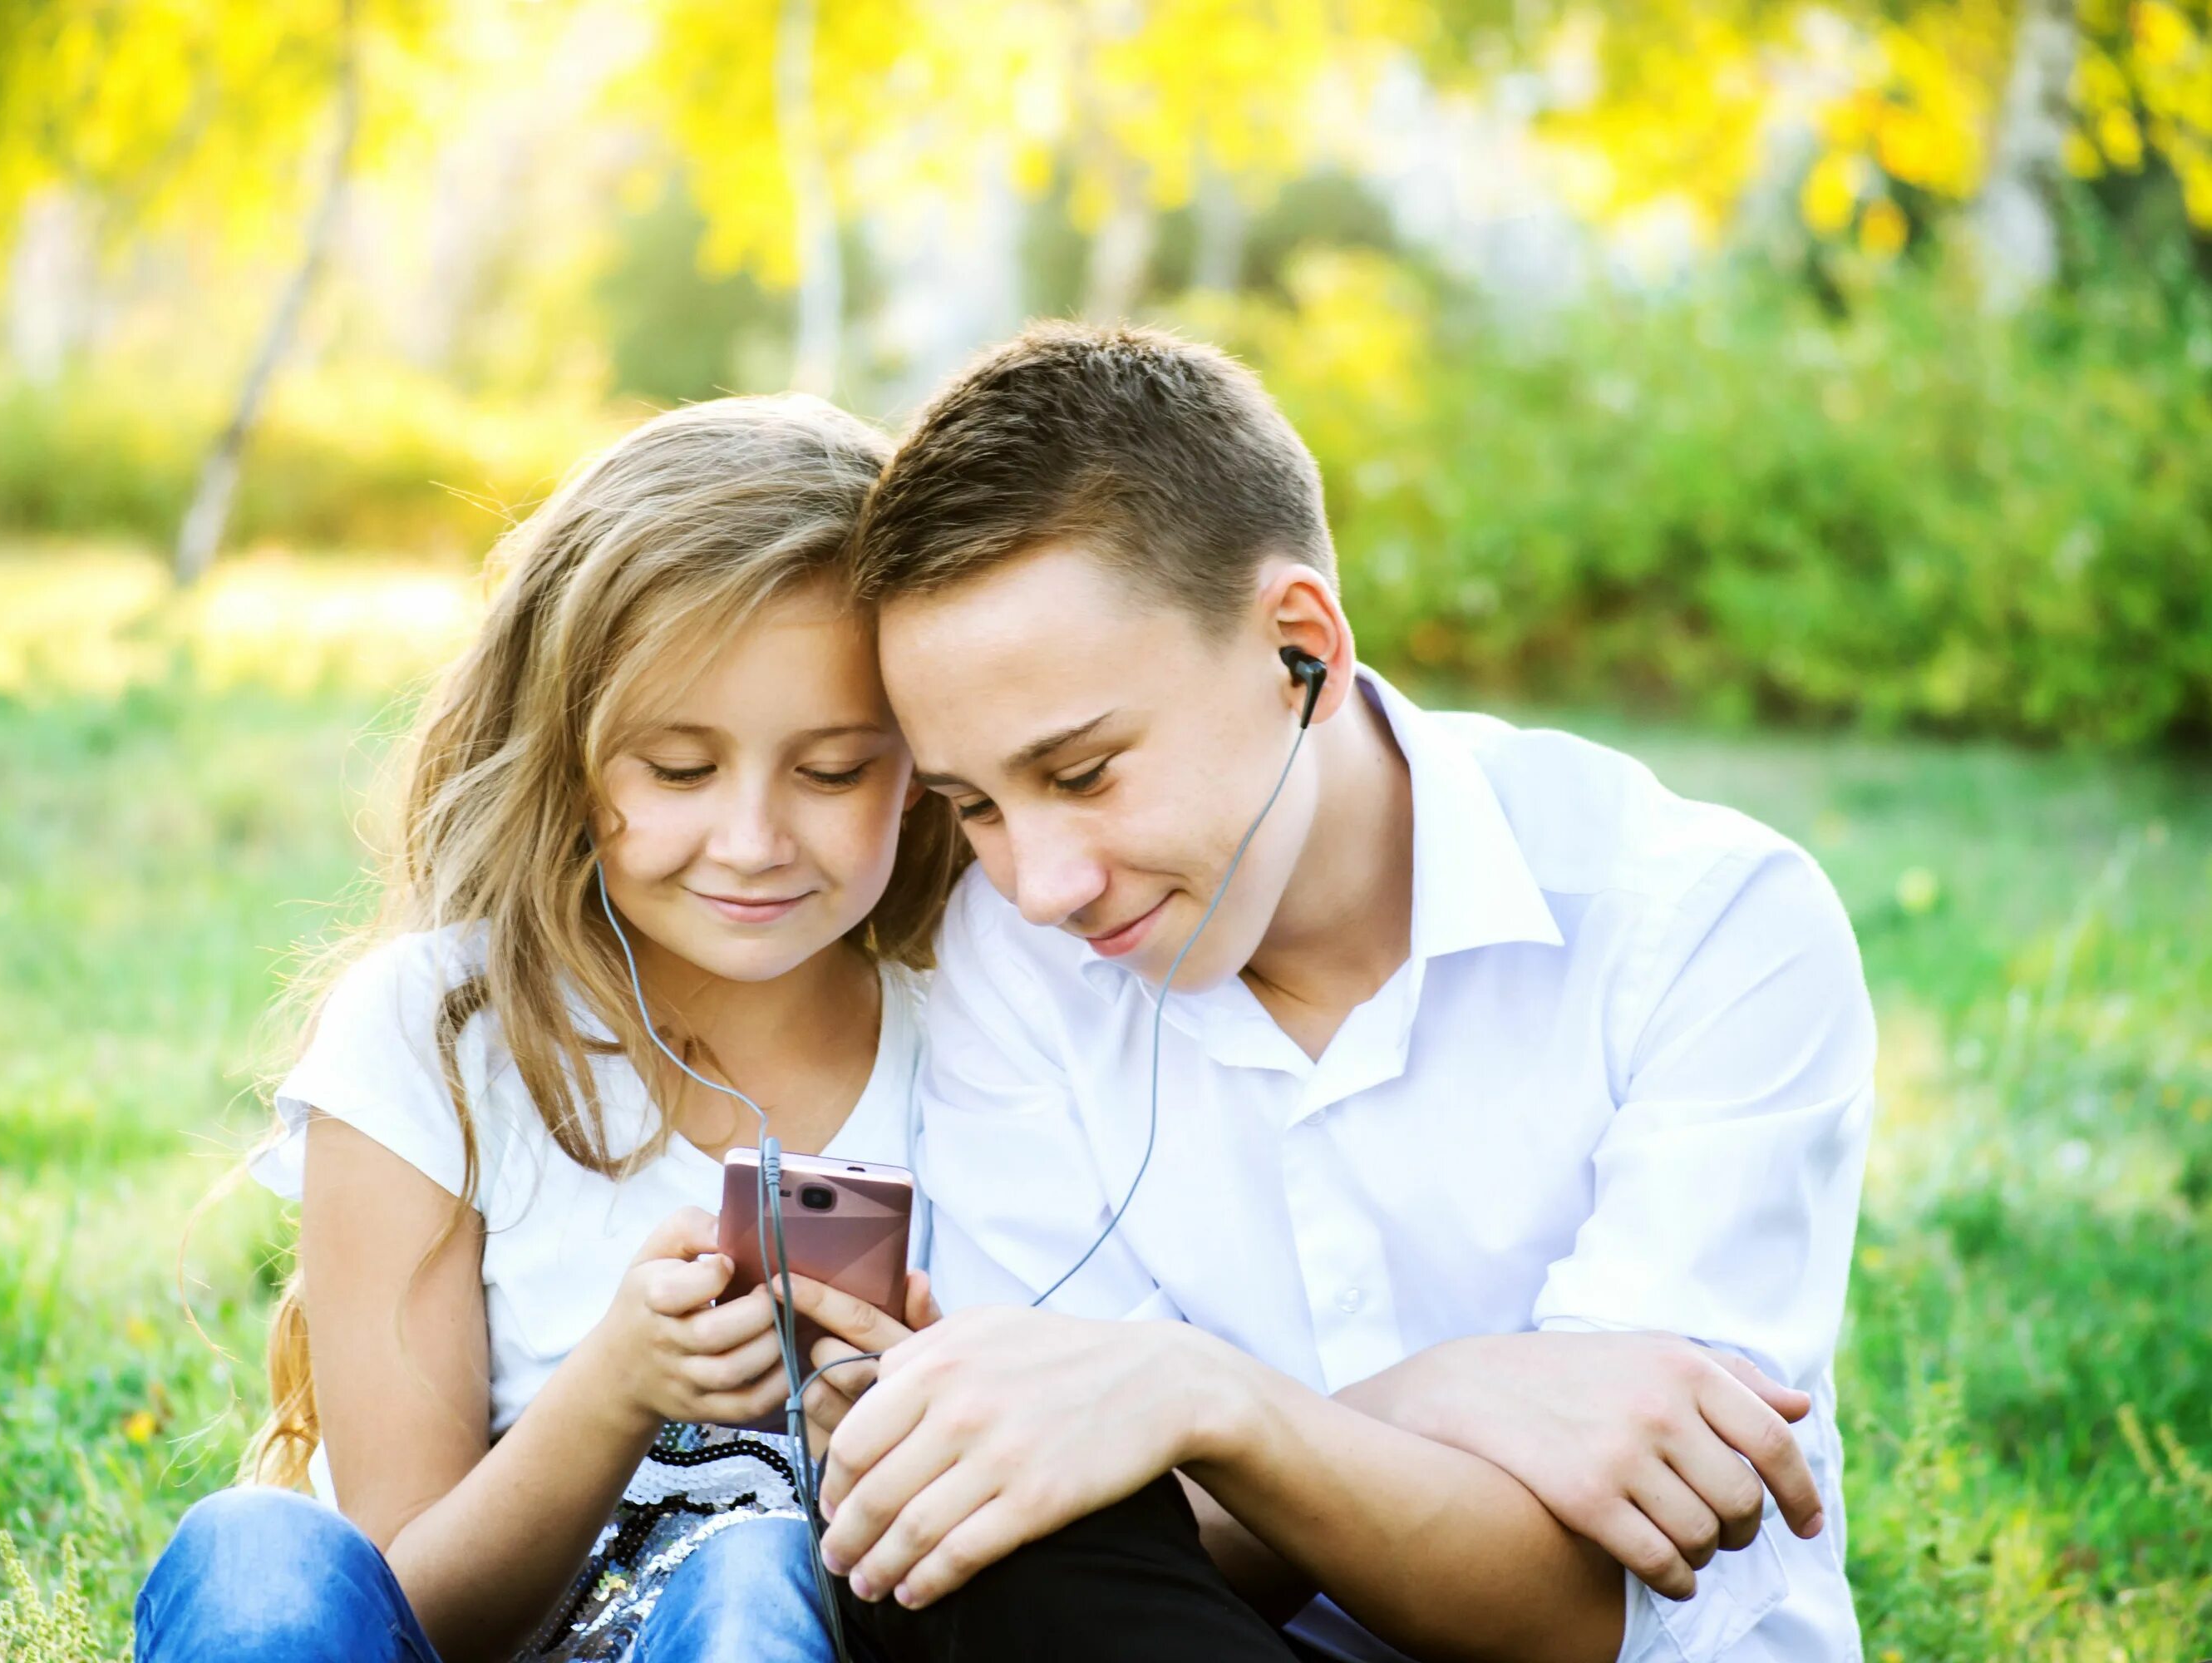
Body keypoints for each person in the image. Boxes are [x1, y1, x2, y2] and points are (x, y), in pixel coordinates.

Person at [793, 323, 1875, 1663]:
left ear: (1300, 650)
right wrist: (1431, 1396)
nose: (1041, 885)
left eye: (1080, 774)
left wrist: (1198, 1407)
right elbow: (1054, 1506)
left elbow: (1592, 1606)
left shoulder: (1705, 925)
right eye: (975, 808)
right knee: (963, 1559)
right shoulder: (1009, 965)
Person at [133, 395, 959, 1663]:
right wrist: (617, 1388)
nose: (751, 840)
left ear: (927, 759)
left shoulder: (986, 1035)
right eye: (678, 771)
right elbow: (416, 1604)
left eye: (835, 770)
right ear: (566, 753)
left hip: (775, 1628)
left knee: (749, 1573)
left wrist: (908, 1431)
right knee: (256, 1548)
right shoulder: (435, 1037)